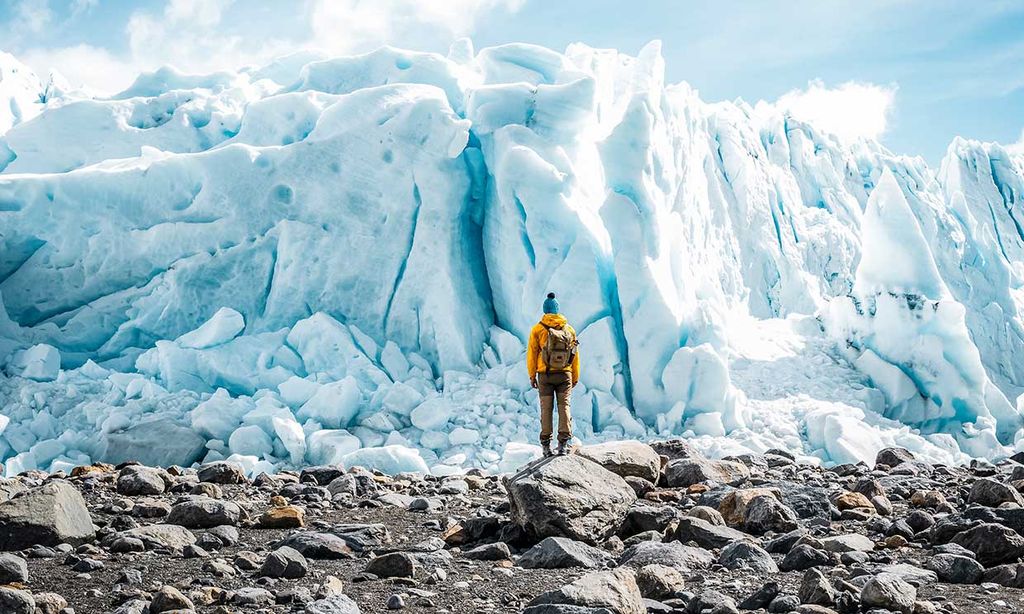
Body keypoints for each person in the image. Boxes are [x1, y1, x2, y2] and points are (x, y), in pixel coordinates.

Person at [527, 292, 580, 457]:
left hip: (545, 375)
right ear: (557, 310)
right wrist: (575, 376)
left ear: (545, 310)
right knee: (564, 407)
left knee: (546, 409)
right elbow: (575, 355)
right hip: (565, 375)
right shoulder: (569, 329)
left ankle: (546, 446)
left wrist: (532, 375)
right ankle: (563, 444)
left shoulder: (538, 329)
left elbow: (531, 354)